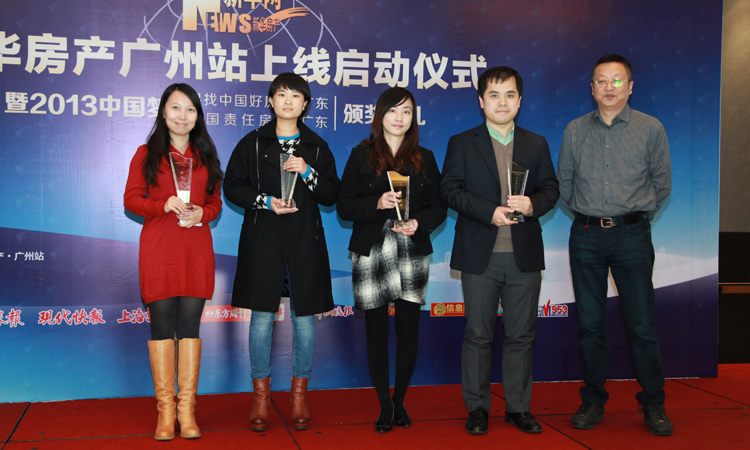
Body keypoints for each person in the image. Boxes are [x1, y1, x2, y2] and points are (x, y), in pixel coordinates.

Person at [557, 54, 673, 436]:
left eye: (617, 80)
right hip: (586, 235)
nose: (609, 87)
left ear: (630, 86)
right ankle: (593, 400)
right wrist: (590, 215)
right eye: (602, 81)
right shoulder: (575, 130)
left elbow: (661, 184)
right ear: (592, 88)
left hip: (631, 237)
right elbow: (564, 185)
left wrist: (633, 217)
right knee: (591, 325)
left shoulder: (651, 128)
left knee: (642, 324)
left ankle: (653, 402)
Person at [441, 66, 559, 435]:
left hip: (524, 255)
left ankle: (518, 408)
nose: (502, 102)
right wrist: (488, 211)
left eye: (510, 95)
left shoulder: (536, 143)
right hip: (480, 254)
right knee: (478, 335)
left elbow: (551, 189)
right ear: (481, 101)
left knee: (522, 335)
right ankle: (477, 409)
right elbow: (450, 189)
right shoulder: (462, 142)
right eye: (494, 95)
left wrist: (532, 204)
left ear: (520, 101)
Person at [224, 73, 340, 432]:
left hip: (305, 241)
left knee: (304, 320)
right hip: (264, 241)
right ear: (271, 101)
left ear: (306, 105)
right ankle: (260, 398)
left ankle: (299, 397)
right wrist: (265, 201)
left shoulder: (317, 147)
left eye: (296, 96)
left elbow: (332, 194)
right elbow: (232, 186)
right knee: (261, 318)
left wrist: (307, 171)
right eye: (281, 95)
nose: (288, 101)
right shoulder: (253, 143)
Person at [337, 88, 447, 433]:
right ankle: (384, 404)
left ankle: (400, 400)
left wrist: (419, 224)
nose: (400, 118)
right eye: (393, 111)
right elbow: (343, 206)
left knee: (408, 330)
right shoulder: (362, 155)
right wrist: (377, 203)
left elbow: (439, 207)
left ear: (414, 118)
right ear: (380, 115)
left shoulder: (425, 157)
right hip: (372, 249)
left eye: (407, 112)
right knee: (376, 331)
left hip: (411, 247)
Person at [124, 83, 223, 441]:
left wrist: (203, 214)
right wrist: (161, 205)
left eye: (190, 109)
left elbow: (215, 202)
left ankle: (187, 410)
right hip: (160, 249)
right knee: (163, 329)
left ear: (198, 116)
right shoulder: (146, 154)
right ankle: (166, 412)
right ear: (164, 112)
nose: (183, 116)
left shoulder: (206, 154)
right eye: (176, 108)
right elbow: (131, 200)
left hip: (195, 249)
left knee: (190, 329)